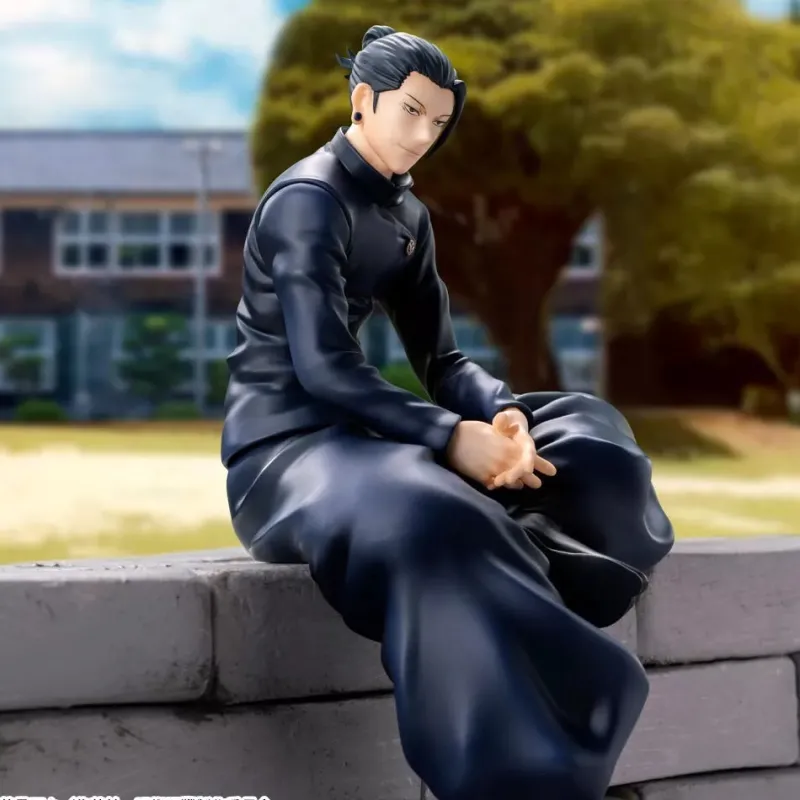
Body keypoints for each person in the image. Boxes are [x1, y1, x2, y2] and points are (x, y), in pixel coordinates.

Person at [222, 24, 674, 800]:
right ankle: (513, 773)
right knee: (431, 510)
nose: (424, 136)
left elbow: (444, 363)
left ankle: (535, 556)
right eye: (411, 112)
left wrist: (504, 420)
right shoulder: (308, 201)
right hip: (286, 455)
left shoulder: (406, 217)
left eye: (439, 121)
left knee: (580, 432)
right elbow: (324, 369)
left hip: (367, 441)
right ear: (362, 102)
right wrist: (448, 438)